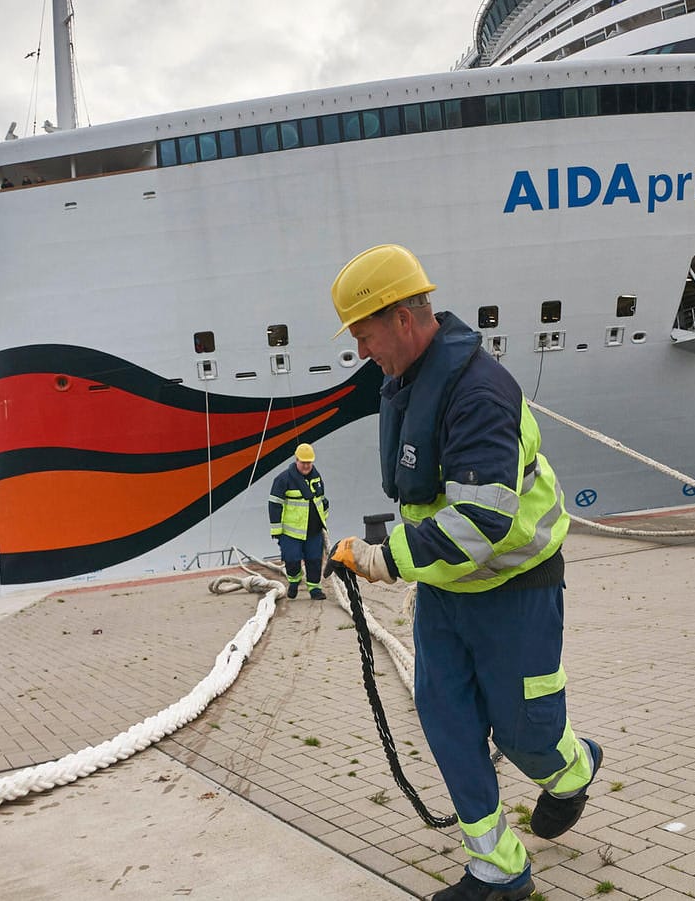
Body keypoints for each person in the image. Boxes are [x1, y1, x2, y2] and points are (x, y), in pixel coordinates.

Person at [325, 244, 601, 901]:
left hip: (516, 589)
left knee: (523, 731)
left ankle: (572, 767)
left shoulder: (478, 392)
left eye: (363, 334)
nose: (362, 351)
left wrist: (383, 557)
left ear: (400, 318)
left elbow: (483, 522)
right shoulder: (409, 381)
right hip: (447, 593)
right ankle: (498, 868)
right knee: (447, 722)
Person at [267, 442, 330, 600]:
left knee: (314, 560)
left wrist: (324, 520)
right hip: (291, 531)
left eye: (309, 462)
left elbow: (322, 500)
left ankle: (315, 589)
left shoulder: (316, 477)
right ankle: (294, 581)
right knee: (292, 559)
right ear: (296, 460)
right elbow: (275, 505)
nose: (306, 466)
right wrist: (276, 530)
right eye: (303, 462)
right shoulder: (283, 479)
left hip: (313, 529)